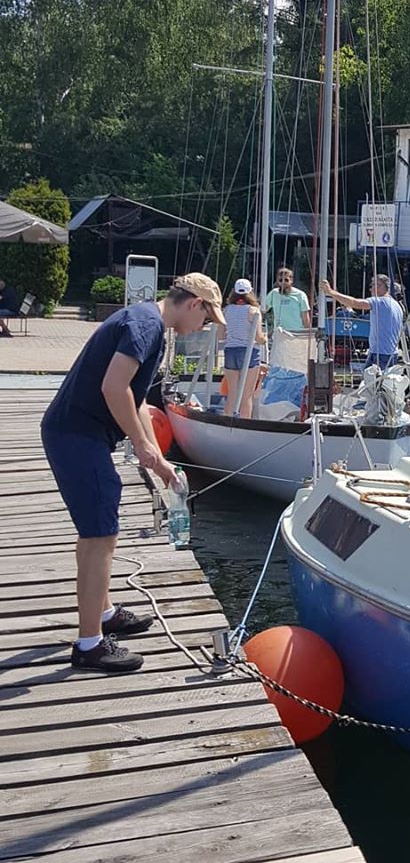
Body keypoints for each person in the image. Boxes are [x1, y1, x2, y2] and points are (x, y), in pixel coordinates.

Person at [41, 273, 225, 673]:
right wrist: (141, 445)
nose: (204, 327)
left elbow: (136, 399)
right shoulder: (146, 326)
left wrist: (158, 459)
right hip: (76, 435)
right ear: (194, 304)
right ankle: (90, 645)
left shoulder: (150, 324)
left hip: (78, 434)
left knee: (96, 529)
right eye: (207, 318)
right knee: (100, 535)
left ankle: (104, 613)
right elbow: (114, 388)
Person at [320, 273, 404, 370]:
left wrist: (330, 292)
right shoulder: (396, 305)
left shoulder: (380, 302)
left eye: (374, 285)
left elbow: (354, 302)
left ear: (383, 286)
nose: (371, 289)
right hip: (391, 353)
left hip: (380, 354)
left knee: (373, 379)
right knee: (376, 378)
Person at [220, 278, 266, 419]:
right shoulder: (253, 311)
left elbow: (220, 336)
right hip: (249, 352)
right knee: (247, 395)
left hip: (230, 351)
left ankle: (227, 420)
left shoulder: (226, 311)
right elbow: (258, 337)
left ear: (234, 292)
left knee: (232, 393)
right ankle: (244, 422)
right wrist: (265, 339)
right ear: (250, 292)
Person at [263, 266, 311, 333]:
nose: (283, 282)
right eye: (280, 280)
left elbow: (306, 317)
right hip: (279, 333)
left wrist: (307, 334)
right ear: (277, 281)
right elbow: (263, 309)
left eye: (286, 280)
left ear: (291, 280)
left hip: (296, 333)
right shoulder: (273, 293)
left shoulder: (300, 295)